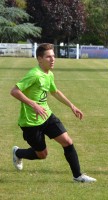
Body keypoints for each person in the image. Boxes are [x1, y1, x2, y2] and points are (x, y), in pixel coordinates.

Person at [10, 43, 96, 182]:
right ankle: (18, 152)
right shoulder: (34, 74)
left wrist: (71, 106)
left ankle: (78, 176)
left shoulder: (49, 74)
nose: (52, 59)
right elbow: (14, 91)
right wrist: (34, 105)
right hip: (30, 122)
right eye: (48, 57)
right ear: (39, 59)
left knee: (67, 142)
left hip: (47, 116)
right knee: (42, 154)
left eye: (53, 56)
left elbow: (54, 91)